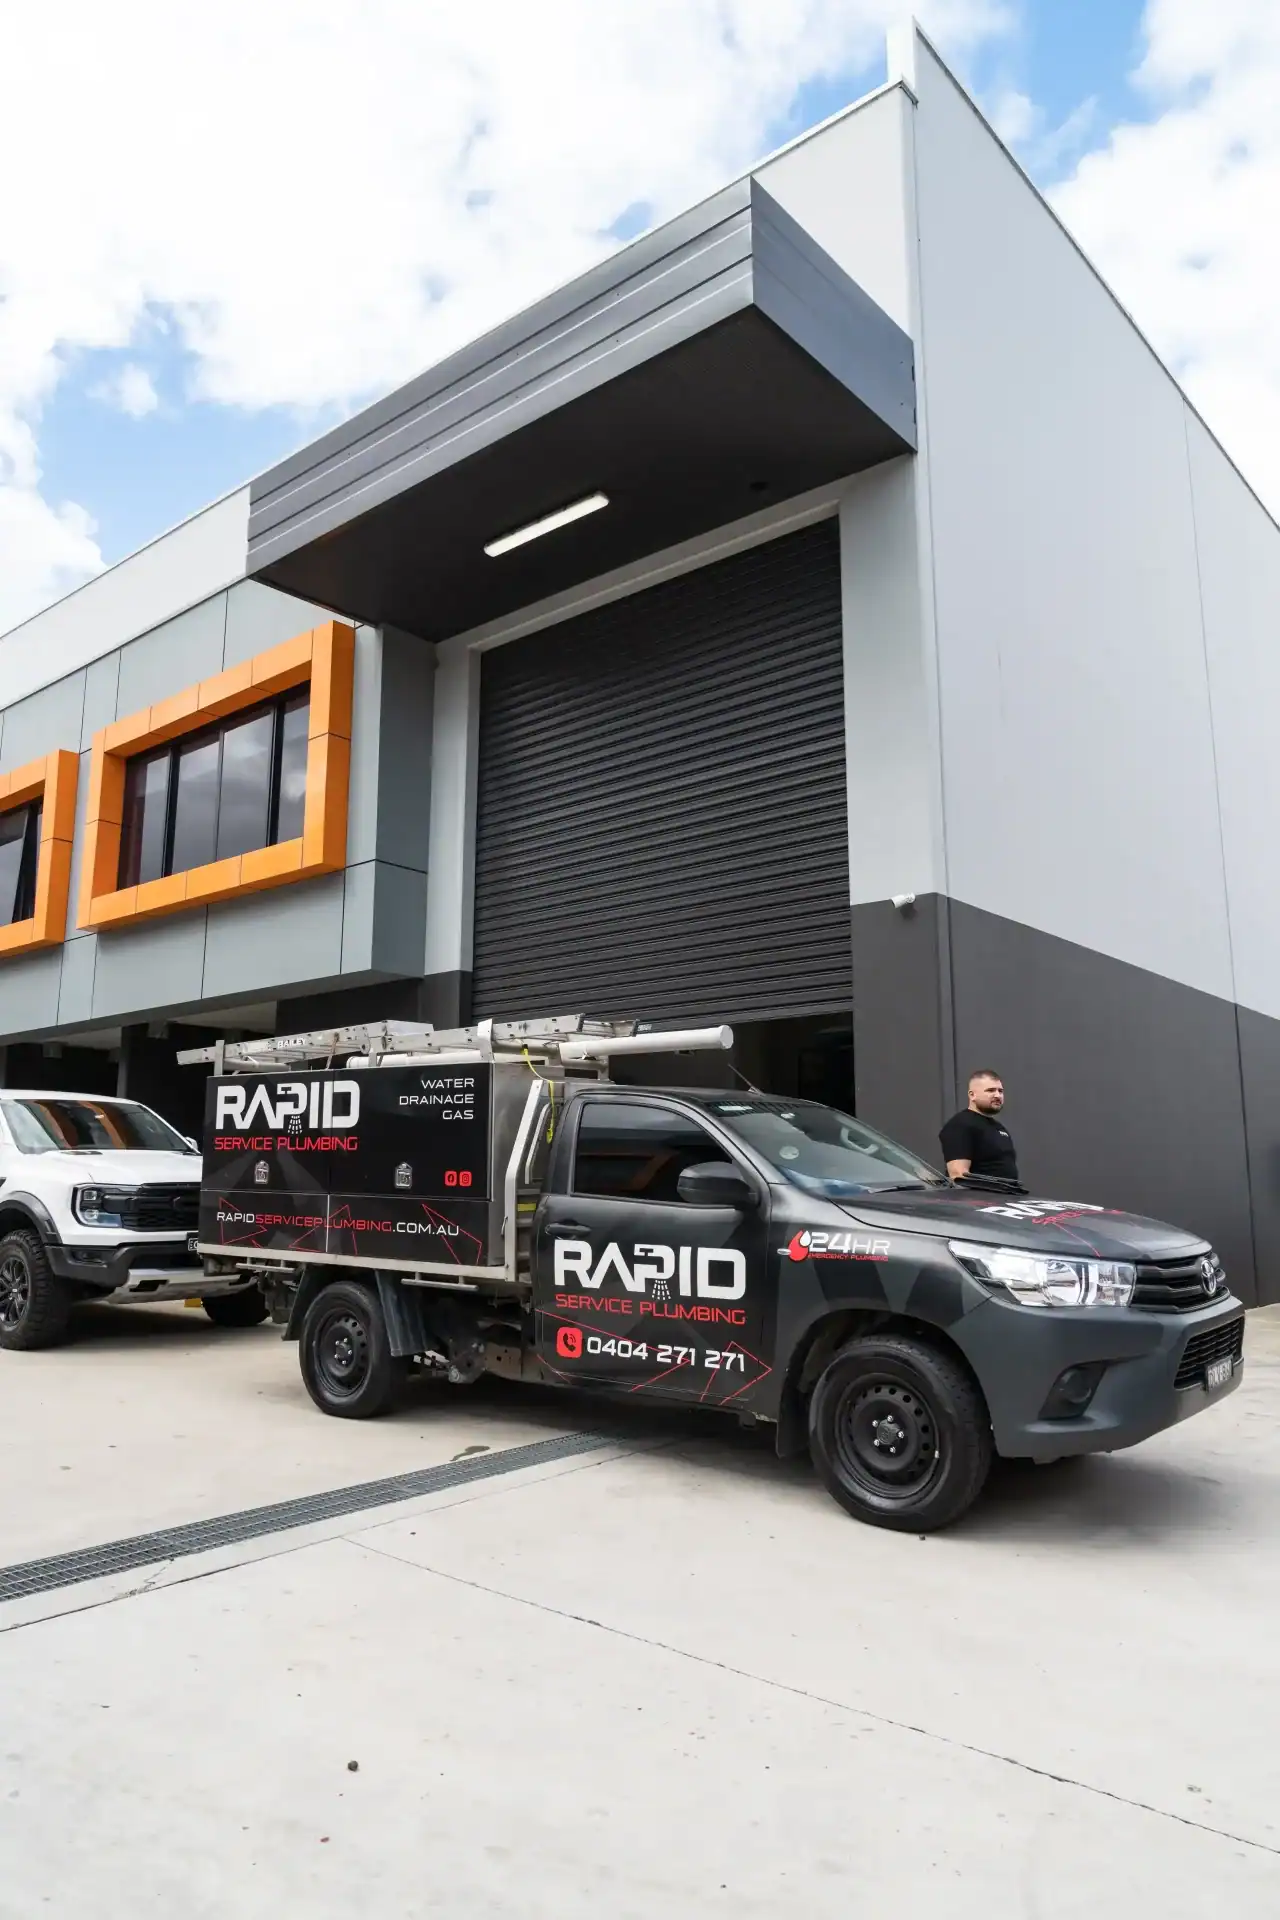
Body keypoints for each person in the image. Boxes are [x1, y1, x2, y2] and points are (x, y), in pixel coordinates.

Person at [940, 1070, 1020, 1183]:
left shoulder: (998, 1127)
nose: (997, 1095)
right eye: (990, 1090)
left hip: (1006, 1197)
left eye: (1000, 1091)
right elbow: (958, 1177)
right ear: (972, 1095)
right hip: (983, 1198)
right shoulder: (960, 1125)